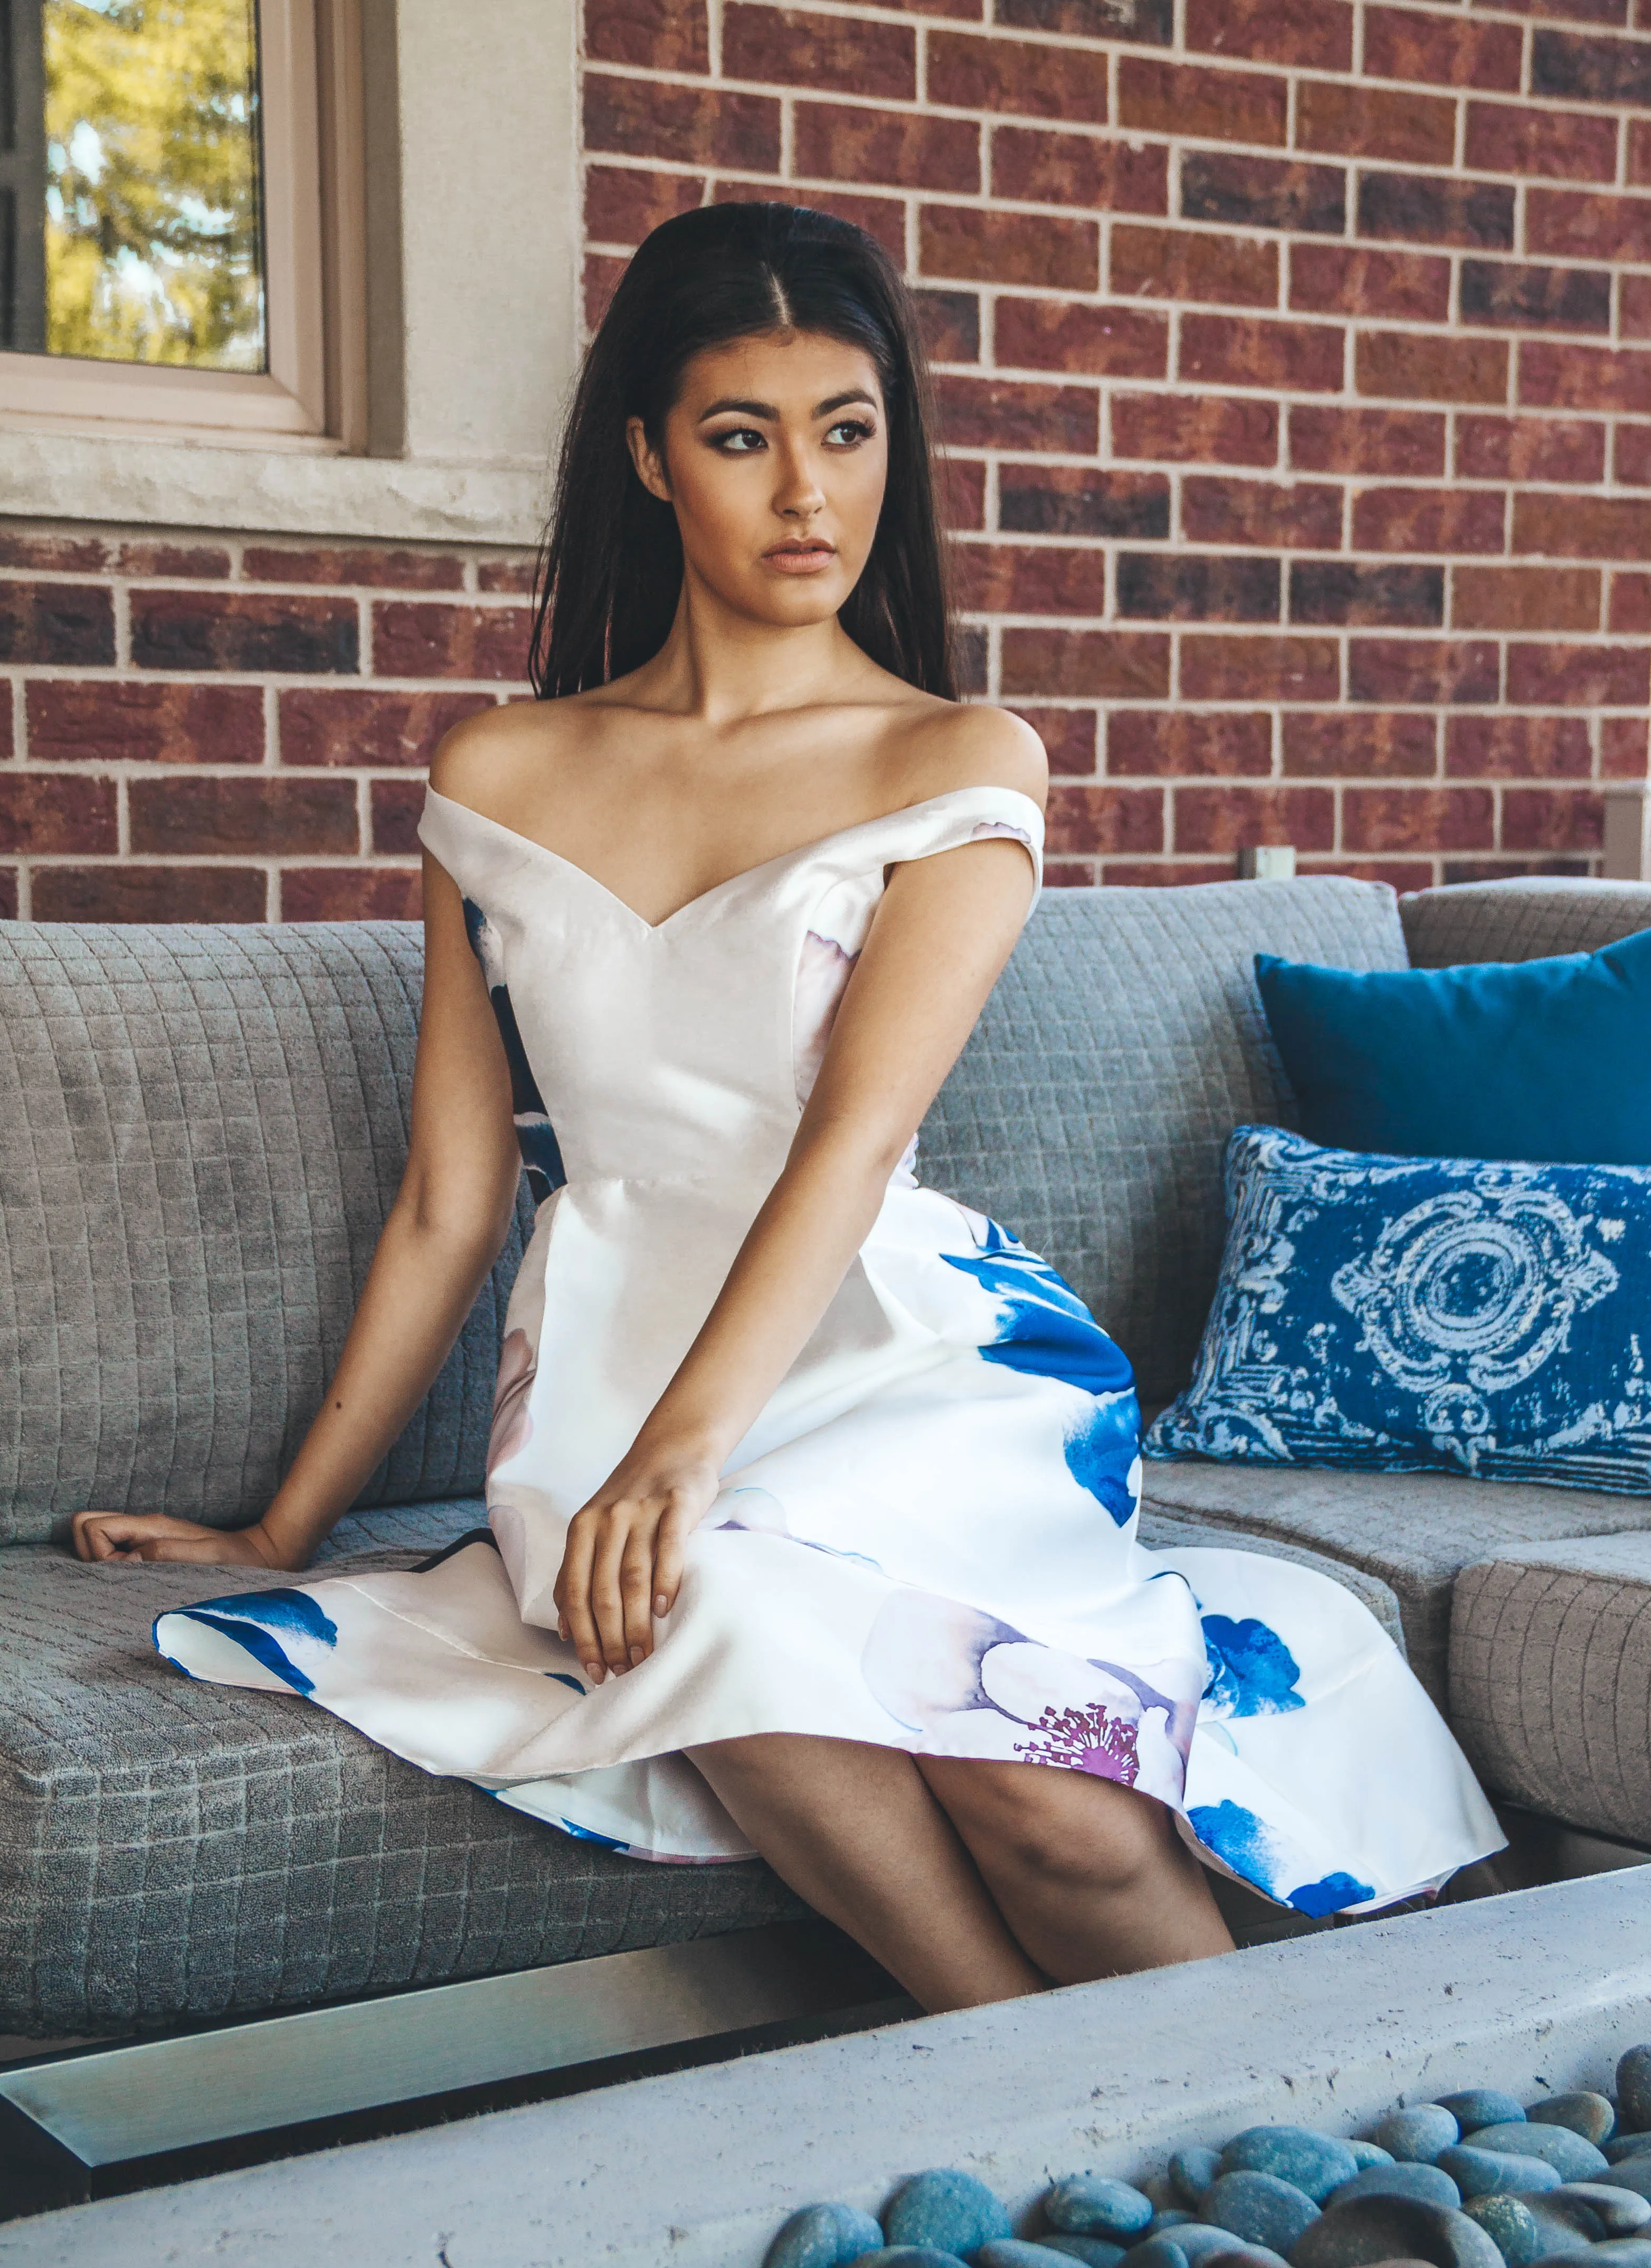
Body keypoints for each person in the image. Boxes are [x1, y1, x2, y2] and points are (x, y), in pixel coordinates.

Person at [73, 204, 1504, 2013]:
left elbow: (847, 1144)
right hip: (612, 1357)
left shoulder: (956, 760)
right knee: (704, 1601)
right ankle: (1031, 2108)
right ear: (652, 459)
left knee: (1052, 1812)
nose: (808, 492)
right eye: (744, 437)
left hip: (904, 1359)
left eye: (849, 429)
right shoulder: (498, 773)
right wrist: (286, 1531)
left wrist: (685, 1454)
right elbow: (451, 1194)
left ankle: (1270, 2150)